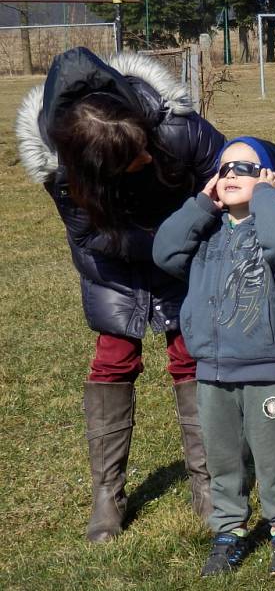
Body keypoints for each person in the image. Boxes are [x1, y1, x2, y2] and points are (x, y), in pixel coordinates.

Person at [15, 46, 226, 542]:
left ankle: (209, 485)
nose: (149, 157)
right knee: (112, 359)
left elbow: (226, 166)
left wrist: (187, 237)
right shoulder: (63, 169)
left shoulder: (173, 124)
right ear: (95, 171)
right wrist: (161, 245)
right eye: (135, 161)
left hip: (185, 250)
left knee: (190, 354)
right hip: (113, 262)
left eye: (144, 146)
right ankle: (107, 495)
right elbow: (89, 236)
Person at [153, 137, 275, 577]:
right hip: (210, 369)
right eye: (224, 168)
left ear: (270, 179)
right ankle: (228, 530)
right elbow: (164, 251)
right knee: (222, 456)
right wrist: (202, 204)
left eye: (245, 169)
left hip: (265, 366)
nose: (230, 175)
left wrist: (269, 197)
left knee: (274, 455)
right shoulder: (206, 227)